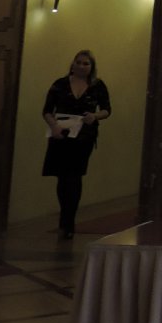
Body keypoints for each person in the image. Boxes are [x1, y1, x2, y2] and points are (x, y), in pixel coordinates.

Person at [42, 50, 110, 239]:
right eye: (78, 62)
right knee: (62, 177)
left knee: (74, 175)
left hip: (83, 136)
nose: (81, 66)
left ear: (91, 67)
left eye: (86, 63)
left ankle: (68, 221)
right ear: (72, 64)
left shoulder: (97, 86)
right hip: (61, 134)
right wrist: (54, 126)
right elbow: (47, 110)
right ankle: (64, 219)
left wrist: (94, 116)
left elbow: (106, 109)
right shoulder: (60, 84)